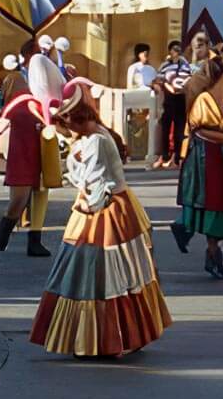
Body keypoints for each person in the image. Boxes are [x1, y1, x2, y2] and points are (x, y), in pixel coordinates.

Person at [30, 83, 171, 357]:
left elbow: (94, 189)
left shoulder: (95, 141)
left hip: (104, 211)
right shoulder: (97, 135)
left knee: (98, 276)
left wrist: (83, 204)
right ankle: (128, 334)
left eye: (66, 120)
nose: (64, 125)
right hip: (117, 207)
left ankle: (101, 340)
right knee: (124, 274)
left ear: (80, 117)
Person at [172, 45, 223, 280]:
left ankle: (194, 236)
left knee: (221, 201)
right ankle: (213, 252)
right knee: (213, 202)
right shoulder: (204, 100)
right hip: (207, 155)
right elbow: (205, 130)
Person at [0, 39, 60, 258]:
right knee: (19, 198)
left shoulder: (51, 79)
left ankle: (35, 239)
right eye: (38, 51)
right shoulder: (18, 81)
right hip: (22, 145)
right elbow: (4, 117)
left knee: (42, 192)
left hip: (42, 144)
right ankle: (3, 233)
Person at [152, 40, 192, 170]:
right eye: (175, 49)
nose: (177, 52)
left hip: (181, 98)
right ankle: (164, 156)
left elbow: (189, 79)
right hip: (169, 99)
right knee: (165, 127)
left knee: (180, 129)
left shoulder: (186, 65)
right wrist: (161, 87)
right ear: (170, 51)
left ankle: (177, 157)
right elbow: (158, 80)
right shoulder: (165, 65)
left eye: (179, 49)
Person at [124, 42, 157, 161]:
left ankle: (149, 151)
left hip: (149, 98)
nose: (146, 55)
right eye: (143, 52)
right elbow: (130, 85)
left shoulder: (151, 69)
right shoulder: (133, 68)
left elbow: (154, 83)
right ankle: (131, 152)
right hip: (136, 98)